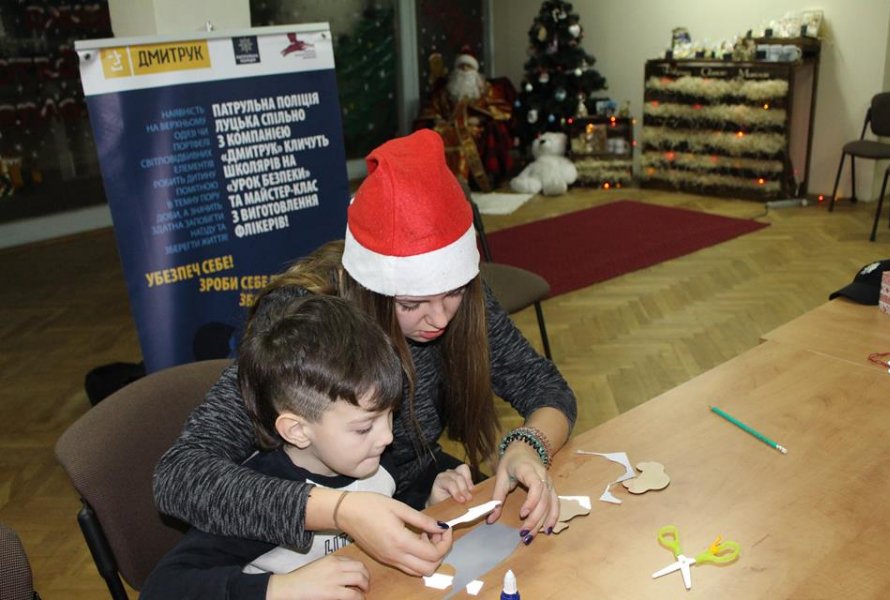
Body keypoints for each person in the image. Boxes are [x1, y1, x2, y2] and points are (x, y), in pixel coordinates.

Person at [153, 128, 578, 577]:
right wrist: (342, 510)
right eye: (411, 304)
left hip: (413, 488)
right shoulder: (305, 327)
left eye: (453, 294)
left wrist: (528, 446)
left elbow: (545, 386)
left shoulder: (453, 294)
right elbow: (180, 476)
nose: (439, 318)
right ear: (368, 289)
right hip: (308, 532)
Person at [141, 295, 472, 599]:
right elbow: (161, 588)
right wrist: (277, 589)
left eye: (391, 414)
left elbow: (385, 502)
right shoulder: (257, 500)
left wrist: (425, 506)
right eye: (364, 427)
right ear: (298, 431)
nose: (387, 436)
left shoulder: (373, 462)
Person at [415, 48, 516, 191]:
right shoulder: (445, 91)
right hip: (449, 126)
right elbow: (433, 109)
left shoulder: (485, 89)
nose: (464, 70)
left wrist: (480, 119)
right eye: (461, 67)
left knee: (468, 136)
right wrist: (437, 119)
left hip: (476, 127)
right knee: (440, 135)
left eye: (468, 67)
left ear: (474, 70)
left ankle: (462, 183)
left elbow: (499, 109)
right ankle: (442, 184)